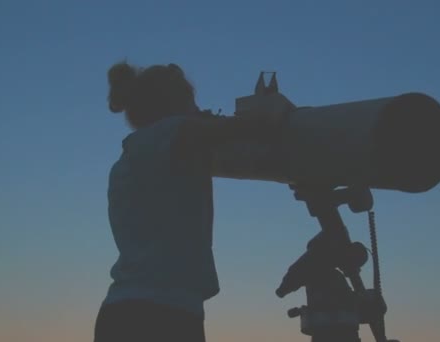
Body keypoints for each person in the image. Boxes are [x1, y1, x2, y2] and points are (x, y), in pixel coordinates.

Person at [94, 61, 294, 342]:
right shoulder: (167, 134)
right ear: (173, 105)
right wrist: (276, 119)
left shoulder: (136, 155)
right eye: (193, 104)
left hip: (131, 310)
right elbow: (244, 128)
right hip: (162, 313)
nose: (199, 110)